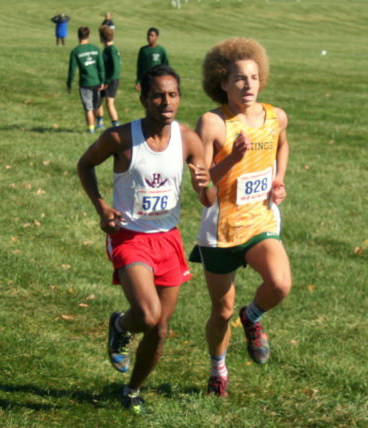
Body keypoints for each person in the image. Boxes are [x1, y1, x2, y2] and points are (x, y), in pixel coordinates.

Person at [77, 65, 210, 413]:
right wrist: (102, 206)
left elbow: (207, 196)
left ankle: (132, 389)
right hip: (129, 236)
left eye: (173, 95)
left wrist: (204, 185)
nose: (166, 102)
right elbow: (85, 165)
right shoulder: (120, 137)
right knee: (149, 315)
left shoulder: (188, 139)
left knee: (161, 330)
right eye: (158, 95)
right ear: (144, 98)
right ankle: (121, 325)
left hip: (168, 239)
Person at [188, 38, 292, 398]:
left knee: (279, 284)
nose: (248, 85)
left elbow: (282, 144)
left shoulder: (274, 116)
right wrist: (232, 159)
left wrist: (278, 179)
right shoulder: (213, 124)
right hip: (222, 228)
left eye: (253, 77)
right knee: (221, 310)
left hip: (261, 221)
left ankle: (253, 316)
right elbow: (202, 187)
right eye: (239, 79)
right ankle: (218, 368)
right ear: (222, 82)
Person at [67, 27, 105, 133]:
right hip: (97, 82)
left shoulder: (76, 51)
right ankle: (100, 123)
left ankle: (91, 129)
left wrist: (69, 83)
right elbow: (101, 66)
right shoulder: (96, 49)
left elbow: (72, 70)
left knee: (88, 107)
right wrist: (103, 80)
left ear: (78, 36)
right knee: (98, 104)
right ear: (89, 36)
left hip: (85, 83)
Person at [98, 25, 121, 127]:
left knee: (109, 103)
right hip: (105, 79)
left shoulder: (111, 50)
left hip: (111, 80)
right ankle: (99, 123)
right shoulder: (107, 49)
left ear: (102, 37)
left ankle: (115, 125)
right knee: (98, 100)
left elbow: (116, 68)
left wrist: (108, 81)